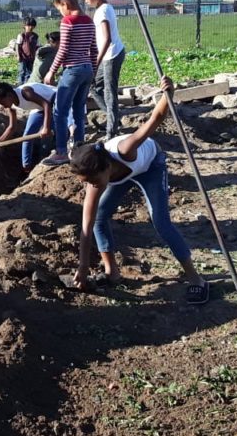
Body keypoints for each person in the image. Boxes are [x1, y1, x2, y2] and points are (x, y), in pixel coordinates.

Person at [68, 76, 209, 304]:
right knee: (99, 219)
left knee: (160, 222)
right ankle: (112, 272)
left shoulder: (126, 150)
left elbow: (156, 118)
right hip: (121, 176)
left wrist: (168, 94)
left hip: (150, 166)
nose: (92, 187)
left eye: (94, 181)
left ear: (106, 168)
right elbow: (86, 227)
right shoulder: (96, 178)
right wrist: (83, 267)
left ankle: (196, 279)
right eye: (87, 182)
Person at [43, 0, 96, 166]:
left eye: (60, 9)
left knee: (60, 112)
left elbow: (63, 50)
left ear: (65, 3)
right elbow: (94, 49)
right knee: (79, 111)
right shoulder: (89, 21)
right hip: (87, 69)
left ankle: (61, 152)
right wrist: (93, 70)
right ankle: (80, 150)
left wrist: (51, 71)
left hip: (72, 70)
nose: (61, 13)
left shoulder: (68, 22)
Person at [81, 0, 126, 139]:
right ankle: (114, 120)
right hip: (110, 54)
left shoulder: (103, 11)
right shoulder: (105, 8)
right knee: (93, 86)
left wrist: (96, 62)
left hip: (111, 55)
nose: (85, 1)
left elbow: (107, 39)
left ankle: (111, 132)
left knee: (109, 92)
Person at [0, 79, 55, 172]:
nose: (3, 106)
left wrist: (46, 127)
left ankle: (48, 160)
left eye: (2, 102)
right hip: (39, 107)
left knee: (49, 135)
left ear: (9, 95)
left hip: (55, 99)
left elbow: (46, 105)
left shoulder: (25, 92)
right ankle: (27, 167)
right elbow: (12, 127)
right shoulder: (10, 106)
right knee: (27, 135)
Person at [14, 17, 39, 85]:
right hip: (23, 57)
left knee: (30, 71)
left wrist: (36, 55)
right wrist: (18, 55)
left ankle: (27, 84)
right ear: (24, 26)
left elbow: (37, 46)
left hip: (31, 57)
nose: (30, 27)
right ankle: (20, 84)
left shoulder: (35, 36)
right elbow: (17, 46)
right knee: (22, 71)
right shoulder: (21, 35)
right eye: (28, 25)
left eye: (32, 25)